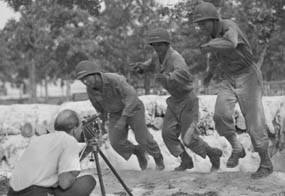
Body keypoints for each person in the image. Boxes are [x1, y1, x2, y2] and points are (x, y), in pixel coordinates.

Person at [192, 1, 273, 179]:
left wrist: (209, 46)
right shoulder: (212, 39)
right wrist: (207, 77)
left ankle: (266, 163)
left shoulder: (229, 26)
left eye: (203, 23)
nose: (201, 27)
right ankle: (237, 147)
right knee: (220, 115)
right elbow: (214, 59)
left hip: (248, 75)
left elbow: (231, 42)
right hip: (229, 78)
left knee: (254, 122)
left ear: (213, 20)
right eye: (199, 25)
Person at [131, 28, 222, 171]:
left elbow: (184, 74)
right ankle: (185, 160)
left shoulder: (176, 57)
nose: (157, 48)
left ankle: (212, 153)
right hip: (174, 101)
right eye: (154, 45)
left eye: (160, 44)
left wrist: (169, 77)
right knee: (167, 133)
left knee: (189, 138)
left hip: (188, 100)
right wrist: (142, 67)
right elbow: (150, 65)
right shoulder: (157, 57)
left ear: (167, 44)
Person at [75, 60, 165, 171]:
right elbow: (99, 108)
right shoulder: (90, 90)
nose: (85, 82)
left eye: (86, 78)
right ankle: (138, 152)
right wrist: (103, 123)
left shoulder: (114, 80)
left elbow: (131, 97)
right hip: (115, 113)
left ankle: (158, 159)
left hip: (133, 109)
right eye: (82, 80)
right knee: (116, 142)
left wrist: (123, 119)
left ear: (95, 74)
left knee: (142, 137)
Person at [8, 109, 96, 196]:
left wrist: (86, 150)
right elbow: (64, 183)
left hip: (12, 192)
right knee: (88, 181)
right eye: (81, 128)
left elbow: (57, 167)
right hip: (35, 192)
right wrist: (73, 174)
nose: (81, 131)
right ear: (74, 129)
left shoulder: (40, 139)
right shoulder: (69, 140)